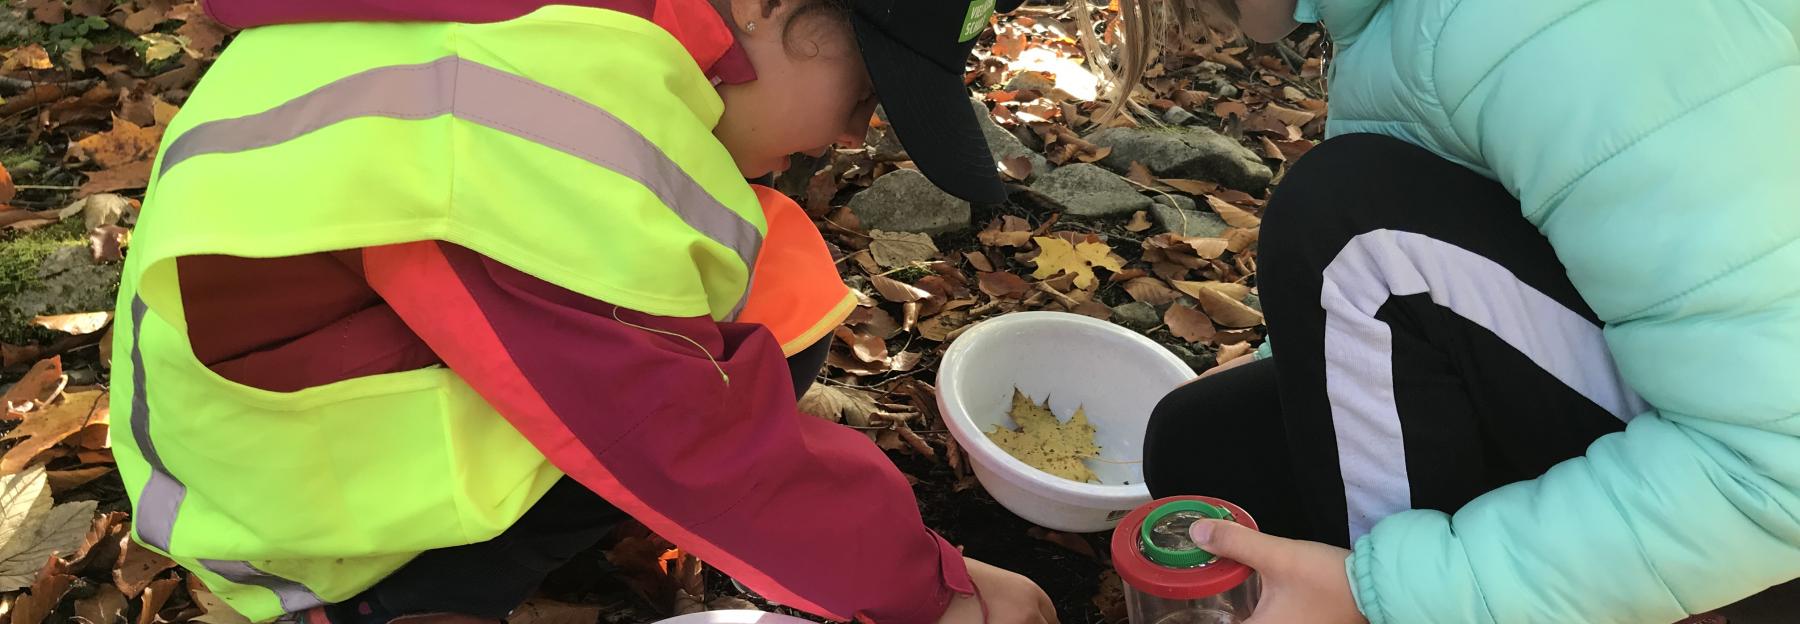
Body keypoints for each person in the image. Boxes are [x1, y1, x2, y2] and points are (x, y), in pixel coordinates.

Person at [108, 1, 1061, 623]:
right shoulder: (515, 119)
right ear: (774, 7)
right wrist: (937, 593)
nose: (854, 135)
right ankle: (405, 601)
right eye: (865, 95)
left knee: (775, 282)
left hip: (306, 392)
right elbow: (678, 433)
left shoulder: (560, 28)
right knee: (676, 397)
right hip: (298, 526)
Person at [1115, 0, 1800, 623]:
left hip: (1758, 518)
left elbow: (1777, 463)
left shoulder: (1538, 25)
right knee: (1205, 437)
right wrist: (1287, 355)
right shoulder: (1402, 24)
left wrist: (1381, 597)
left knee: (1344, 223)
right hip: (1689, 407)